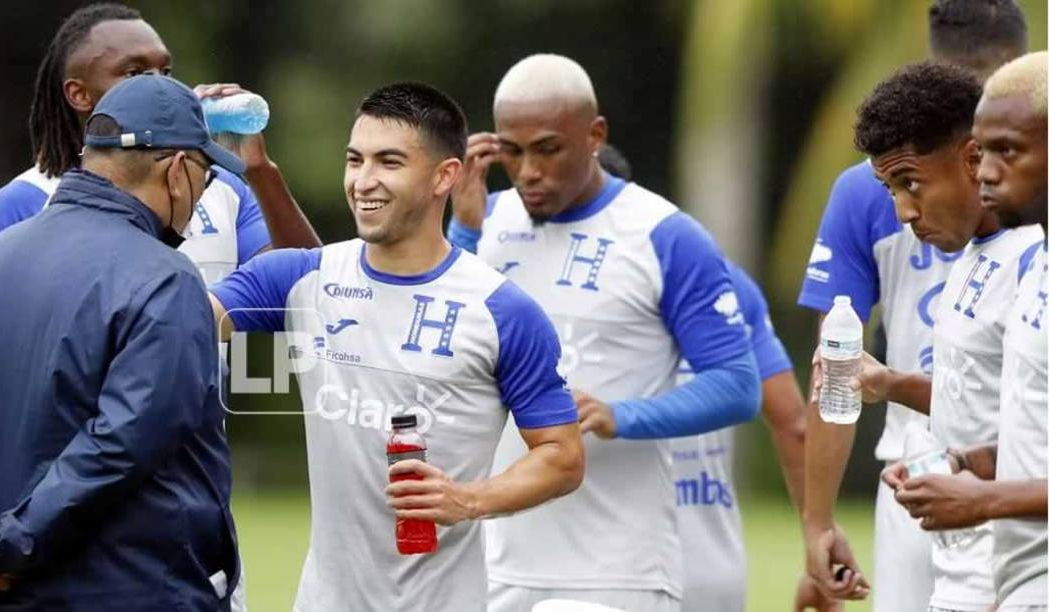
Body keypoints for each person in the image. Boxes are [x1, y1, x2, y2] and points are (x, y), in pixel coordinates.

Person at [208, 82, 585, 611]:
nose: (364, 181)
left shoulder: (502, 311)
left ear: (444, 176)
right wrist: (173, 162)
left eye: (388, 162)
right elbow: (174, 321)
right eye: (354, 160)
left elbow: (562, 456)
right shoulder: (298, 278)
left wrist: (468, 500)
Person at [0, 75, 241, 611]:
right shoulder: (167, 280)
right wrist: (1, 543)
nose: (199, 197)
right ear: (177, 169)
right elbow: (122, 443)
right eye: (206, 177)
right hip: (135, 592)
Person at [445, 54, 760, 611]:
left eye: (547, 149)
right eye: (512, 153)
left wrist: (621, 415)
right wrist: (464, 235)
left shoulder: (664, 234)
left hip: (615, 572)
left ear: (595, 136)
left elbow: (737, 384)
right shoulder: (483, 224)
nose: (527, 172)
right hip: (492, 561)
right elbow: (440, 359)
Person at [798, 1, 1028, 607]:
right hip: (920, 478)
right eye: (892, 188)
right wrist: (818, 522)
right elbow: (838, 369)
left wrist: (990, 491)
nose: (902, 211)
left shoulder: (1029, 252)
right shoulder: (970, 252)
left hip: (1010, 518)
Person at [598, 144, 828, 611]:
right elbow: (796, 424)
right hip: (713, 572)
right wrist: (817, 549)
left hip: (602, 571)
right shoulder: (727, 283)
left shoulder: (538, 287)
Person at [0, 3, 319, 282]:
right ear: (79, 94)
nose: (159, 85)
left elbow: (306, 292)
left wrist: (259, 171)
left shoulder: (224, 187)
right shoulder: (23, 202)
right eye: (134, 73)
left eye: (165, 72)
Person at [881, 51, 1047, 612]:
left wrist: (984, 501)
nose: (987, 171)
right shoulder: (1017, 258)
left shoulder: (1023, 257)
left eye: (1009, 151)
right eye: (984, 152)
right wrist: (963, 465)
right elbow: (1028, 426)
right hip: (995, 571)